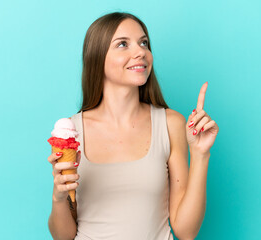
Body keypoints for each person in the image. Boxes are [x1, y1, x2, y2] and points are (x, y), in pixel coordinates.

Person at [47, 12, 219, 240]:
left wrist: (200, 155)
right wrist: (59, 197)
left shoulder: (170, 124)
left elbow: (186, 231)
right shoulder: (72, 131)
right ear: (97, 57)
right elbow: (63, 237)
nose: (141, 52)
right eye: (122, 44)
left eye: (144, 43)